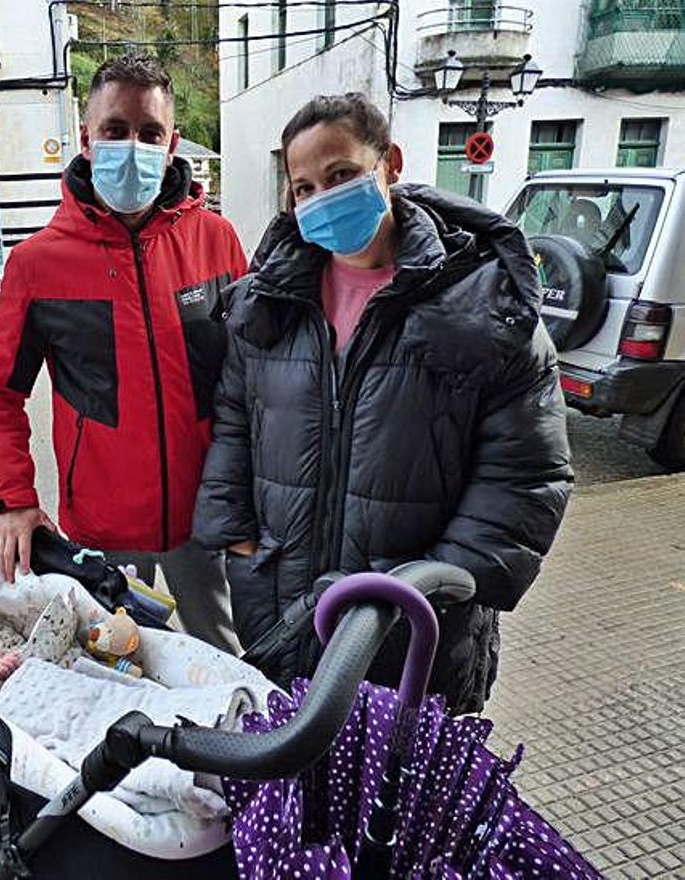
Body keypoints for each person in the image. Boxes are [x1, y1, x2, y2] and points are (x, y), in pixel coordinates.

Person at [192, 93, 574, 714]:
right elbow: (235, 420)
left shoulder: (481, 304)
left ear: (389, 164)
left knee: (400, 802)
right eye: (305, 186)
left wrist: (432, 587)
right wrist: (237, 542)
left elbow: (527, 474)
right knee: (293, 791)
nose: (322, 199)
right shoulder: (270, 301)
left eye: (341, 175)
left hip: (417, 634)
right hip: (281, 614)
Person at [0, 55, 247, 653]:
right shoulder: (38, 264)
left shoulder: (216, 240)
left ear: (172, 144)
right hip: (103, 530)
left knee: (222, 660)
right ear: (86, 139)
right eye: (115, 130)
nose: (132, 145)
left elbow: (254, 376)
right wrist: (13, 499)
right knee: (118, 666)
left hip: (210, 521)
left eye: (149, 133)